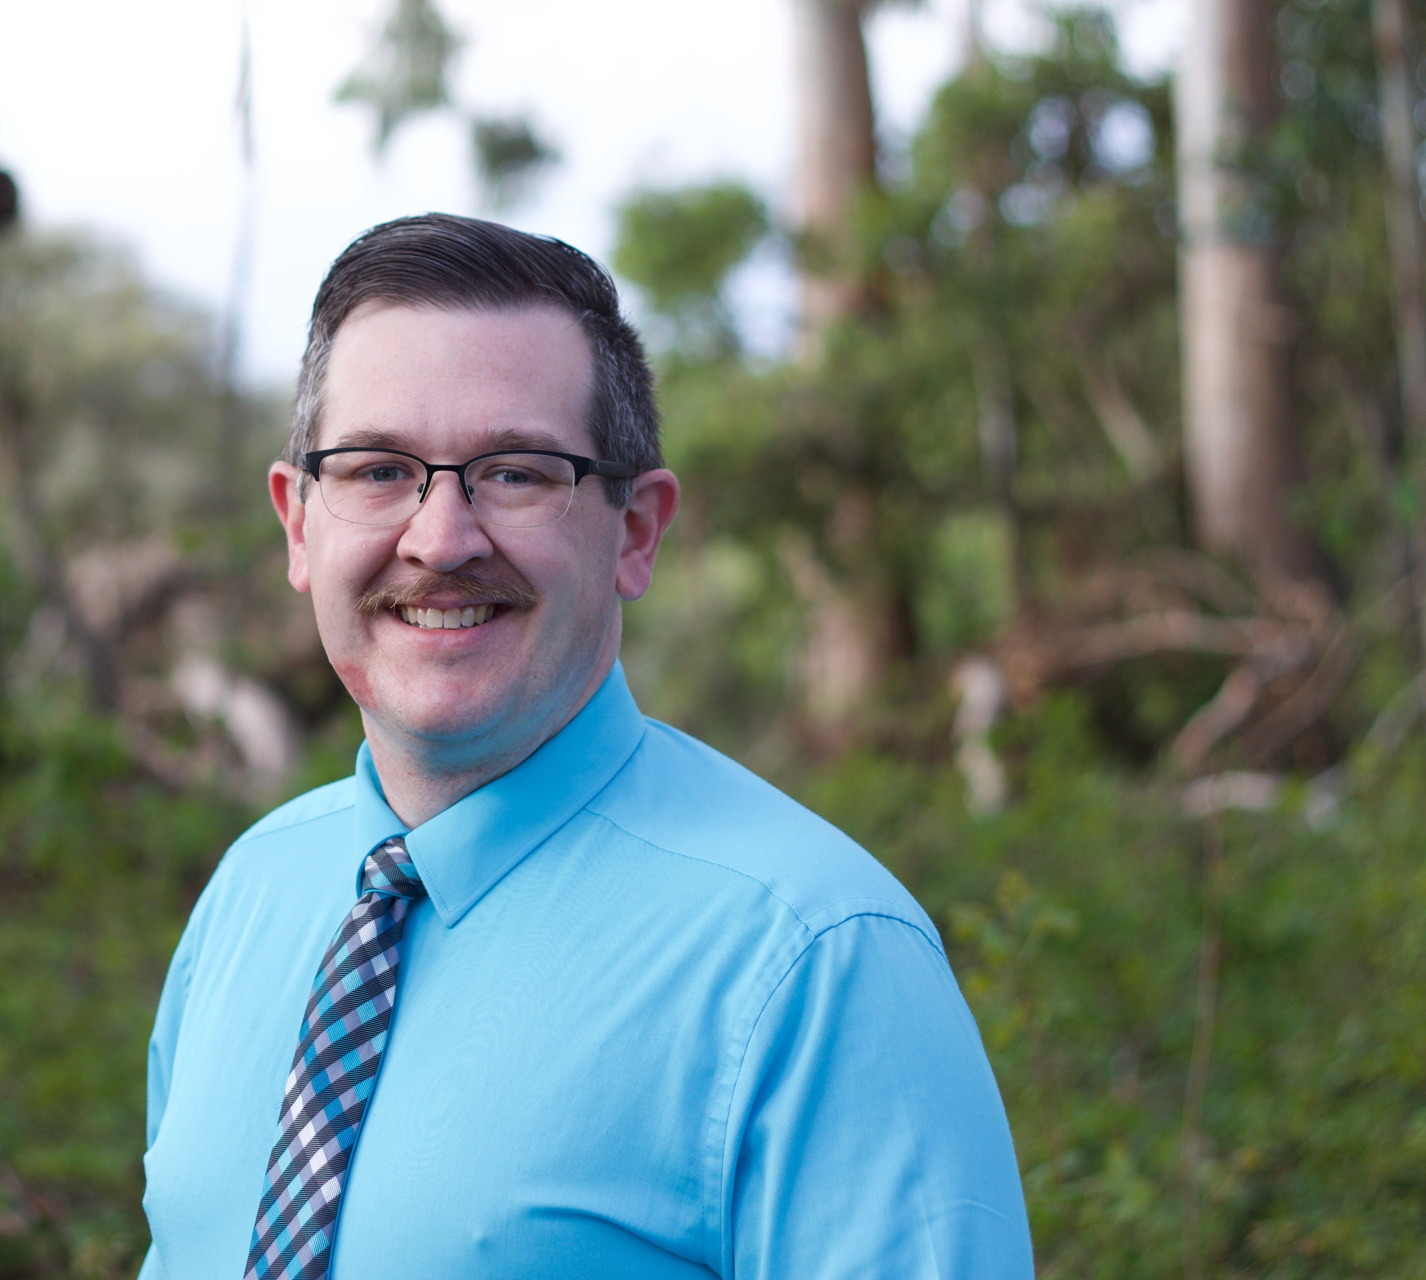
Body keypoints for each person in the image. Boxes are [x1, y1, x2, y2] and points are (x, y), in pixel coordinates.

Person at [138, 213, 1033, 1279]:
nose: (440, 538)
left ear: (637, 530)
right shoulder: (252, 892)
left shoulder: (818, 958)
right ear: (299, 524)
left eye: (516, 472)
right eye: (378, 469)